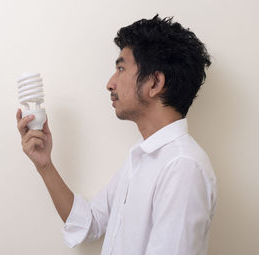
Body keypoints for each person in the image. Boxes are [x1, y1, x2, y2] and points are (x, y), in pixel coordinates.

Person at [16, 14, 217, 255]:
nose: (110, 83)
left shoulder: (182, 168)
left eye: (121, 68)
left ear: (154, 83)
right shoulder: (141, 158)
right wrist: (44, 165)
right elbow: (89, 223)